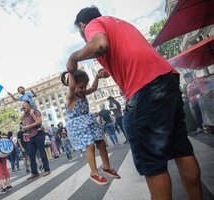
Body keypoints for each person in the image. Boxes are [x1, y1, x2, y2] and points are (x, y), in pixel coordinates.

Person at [67, 6, 202, 199]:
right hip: (167, 80)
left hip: (145, 90)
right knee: (182, 149)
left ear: (82, 26)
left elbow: (99, 45)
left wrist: (74, 57)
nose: (84, 35)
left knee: (152, 162)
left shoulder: (93, 25)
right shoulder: (121, 24)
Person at [61, 69, 120, 185]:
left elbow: (93, 88)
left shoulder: (83, 93)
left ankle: (107, 167)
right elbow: (72, 86)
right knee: (90, 146)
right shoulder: (71, 96)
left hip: (88, 121)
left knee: (102, 143)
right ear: (72, 85)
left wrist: (97, 77)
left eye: (84, 86)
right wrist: (71, 71)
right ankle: (94, 173)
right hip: (78, 125)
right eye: (81, 87)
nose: (83, 89)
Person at [21, 101, 51, 179]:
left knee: (42, 152)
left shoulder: (35, 111)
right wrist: (24, 124)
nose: (23, 109)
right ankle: (34, 172)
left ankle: (47, 169)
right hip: (31, 136)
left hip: (39, 133)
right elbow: (24, 125)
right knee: (31, 154)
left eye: (24, 108)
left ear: (28, 106)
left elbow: (39, 122)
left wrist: (31, 114)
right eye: (22, 108)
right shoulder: (25, 115)